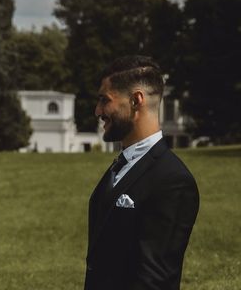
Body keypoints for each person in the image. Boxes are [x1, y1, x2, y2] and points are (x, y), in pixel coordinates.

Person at [85, 55, 199, 290]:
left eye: (104, 100)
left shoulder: (172, 180)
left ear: (136, 100)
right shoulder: (121, 165)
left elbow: (153, 280)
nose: (98, 111)